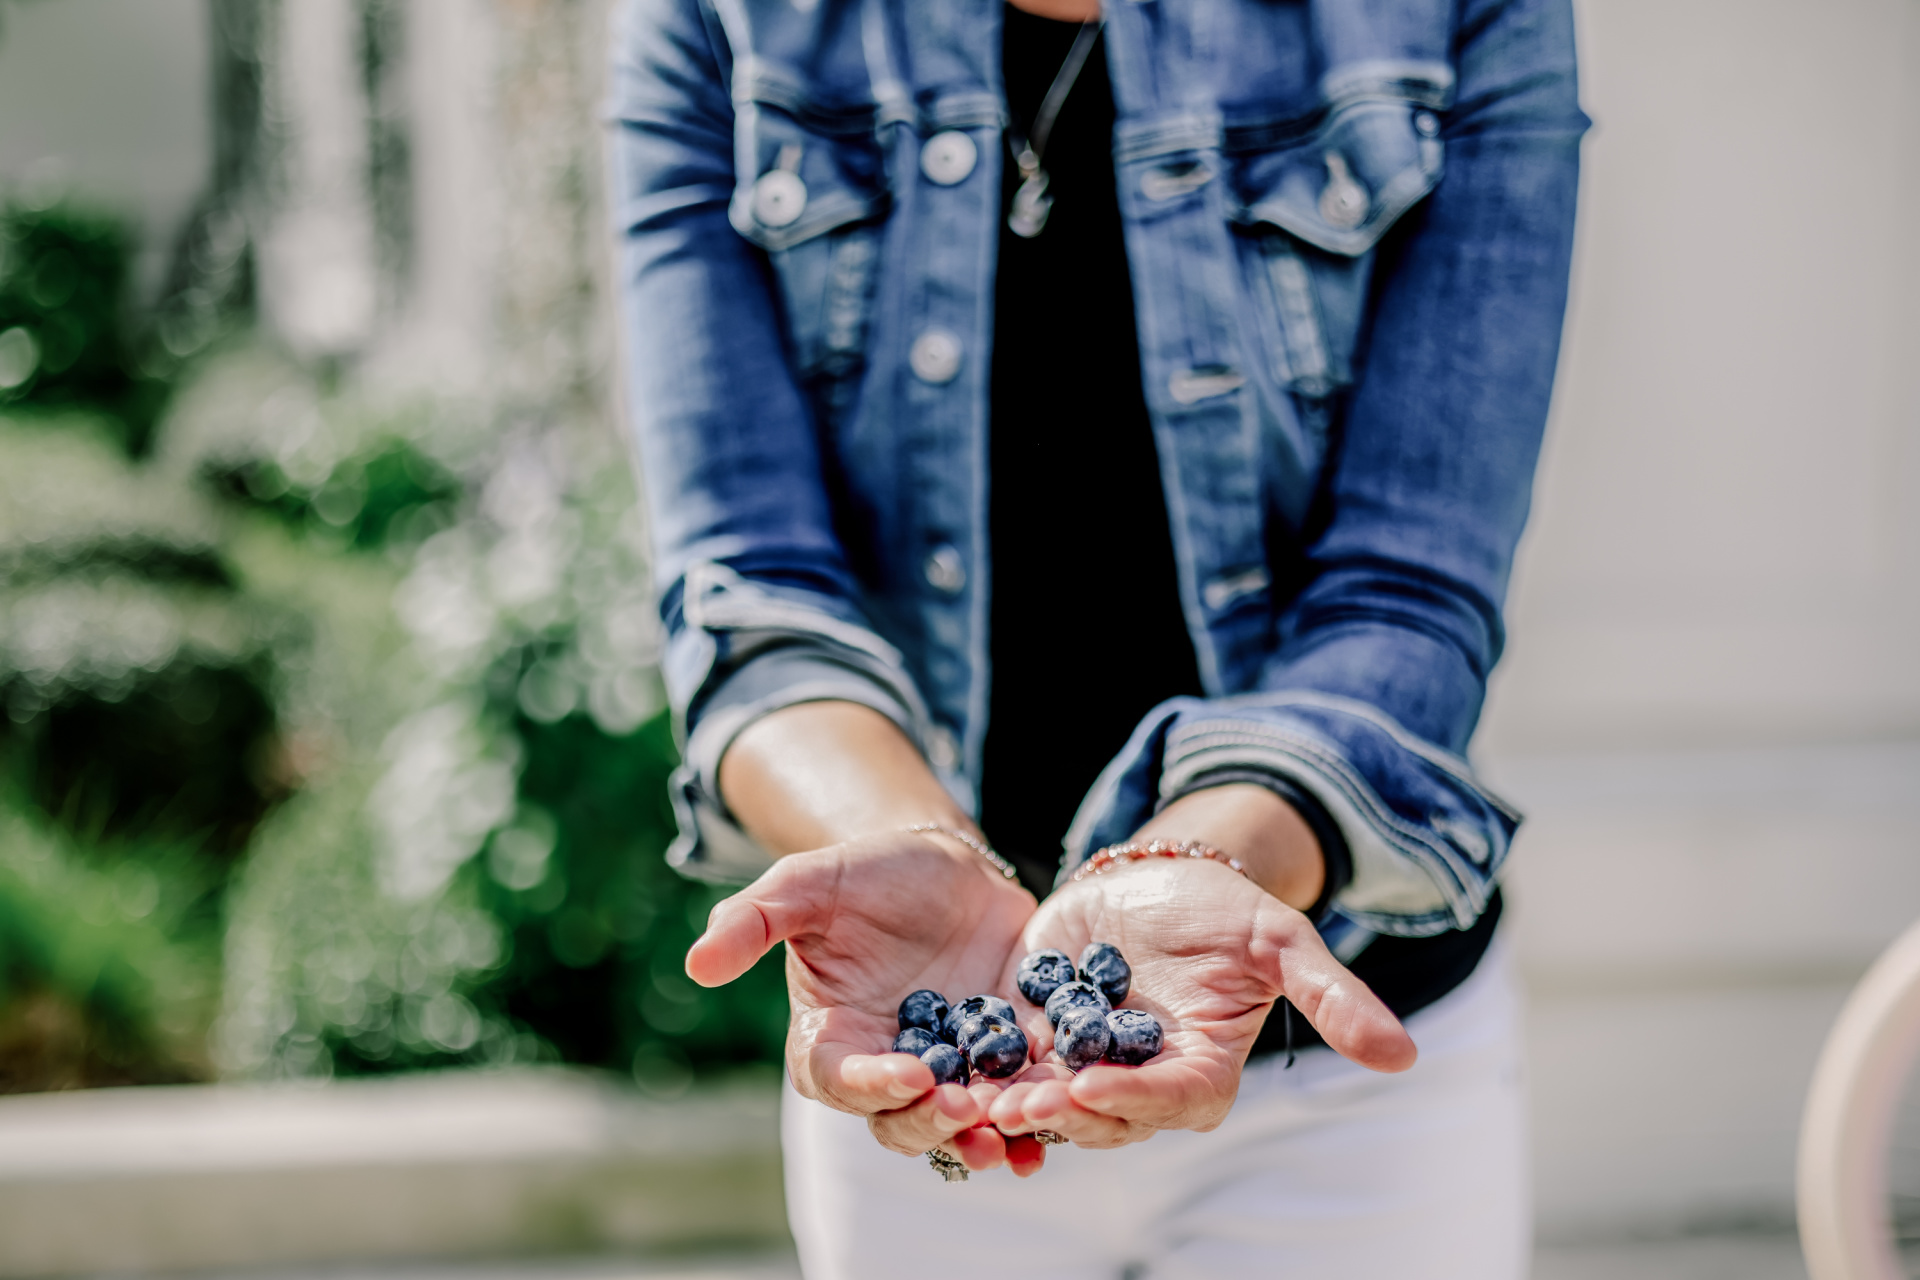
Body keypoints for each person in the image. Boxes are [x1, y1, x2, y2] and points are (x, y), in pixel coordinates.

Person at [608, 0, 1585, 1273]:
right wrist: (912, 855)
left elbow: (1410, 588)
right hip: (928, 1068)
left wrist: (1212, 868)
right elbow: (750, 590)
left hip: (1348, 1086)